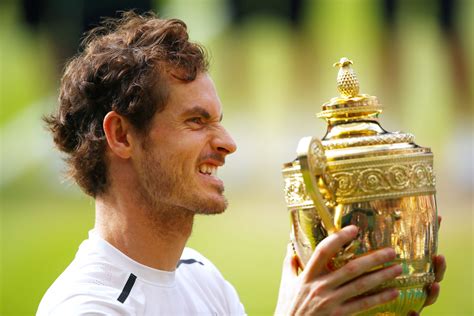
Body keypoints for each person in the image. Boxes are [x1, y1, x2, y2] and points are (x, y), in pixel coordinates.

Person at [37, 11, 445, 316]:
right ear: (122, 136)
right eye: (196, 122)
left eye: (220, 121)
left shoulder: (203, 278)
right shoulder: (86, 306)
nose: (228, 144)